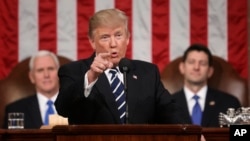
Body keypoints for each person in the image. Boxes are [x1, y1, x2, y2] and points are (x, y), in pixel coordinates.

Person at [55, 8, 185, 124]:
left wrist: (192, 134)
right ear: (92, 42)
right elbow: (63, 108)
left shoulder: (148, 73)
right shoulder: (74, 71)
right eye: (105, 37)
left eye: (118, 35)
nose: (113, 44)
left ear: (127, 38)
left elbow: (170, 111)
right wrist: (90, 77)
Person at [172, 44, 241, 127]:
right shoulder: (166, 105)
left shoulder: (231, 103)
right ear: (182, 67)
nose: (196, 67)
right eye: (191, 62)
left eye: (202, 63)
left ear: (210, 71)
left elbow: (242, 135)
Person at [3, 50, 60, 129]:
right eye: (40, 70)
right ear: (32, 77)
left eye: (50, 69)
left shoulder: (77, 107)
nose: (46, 75)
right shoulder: (15, 110)